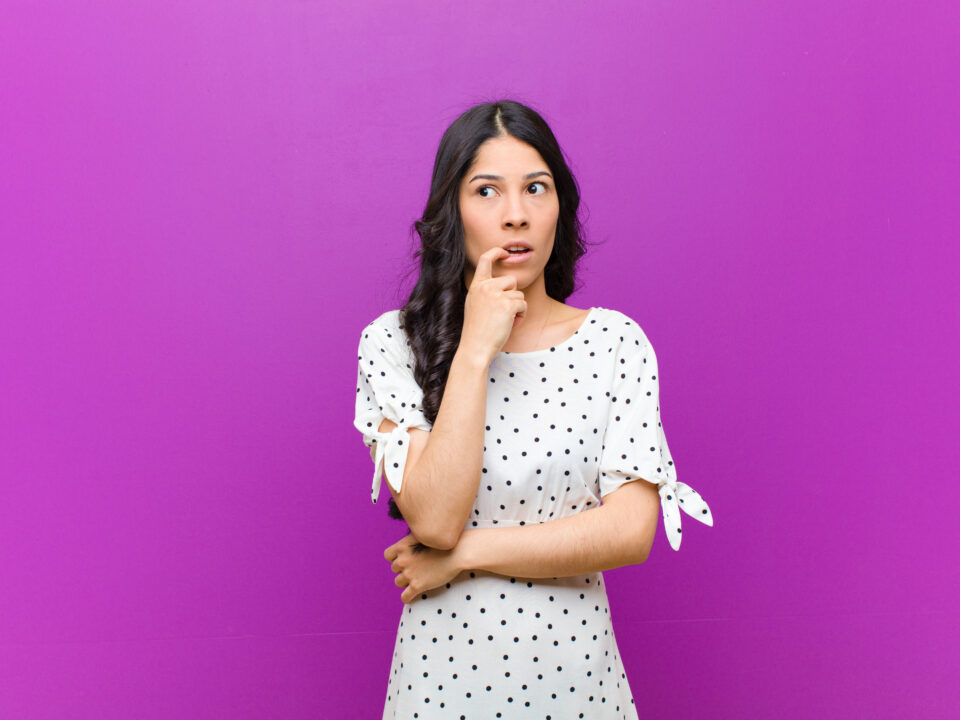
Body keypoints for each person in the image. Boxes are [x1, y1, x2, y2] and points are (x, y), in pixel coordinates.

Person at [353, 99, 714, 719]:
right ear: (452, 213)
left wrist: (465, 556)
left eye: (535, 189)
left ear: (558, 209)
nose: (514, 215)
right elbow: (435, 520)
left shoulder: (614, 344)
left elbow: (630, 532)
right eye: (486, 191)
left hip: (578, 689)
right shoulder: (391, 344)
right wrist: (474, 349)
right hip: (440, 691)